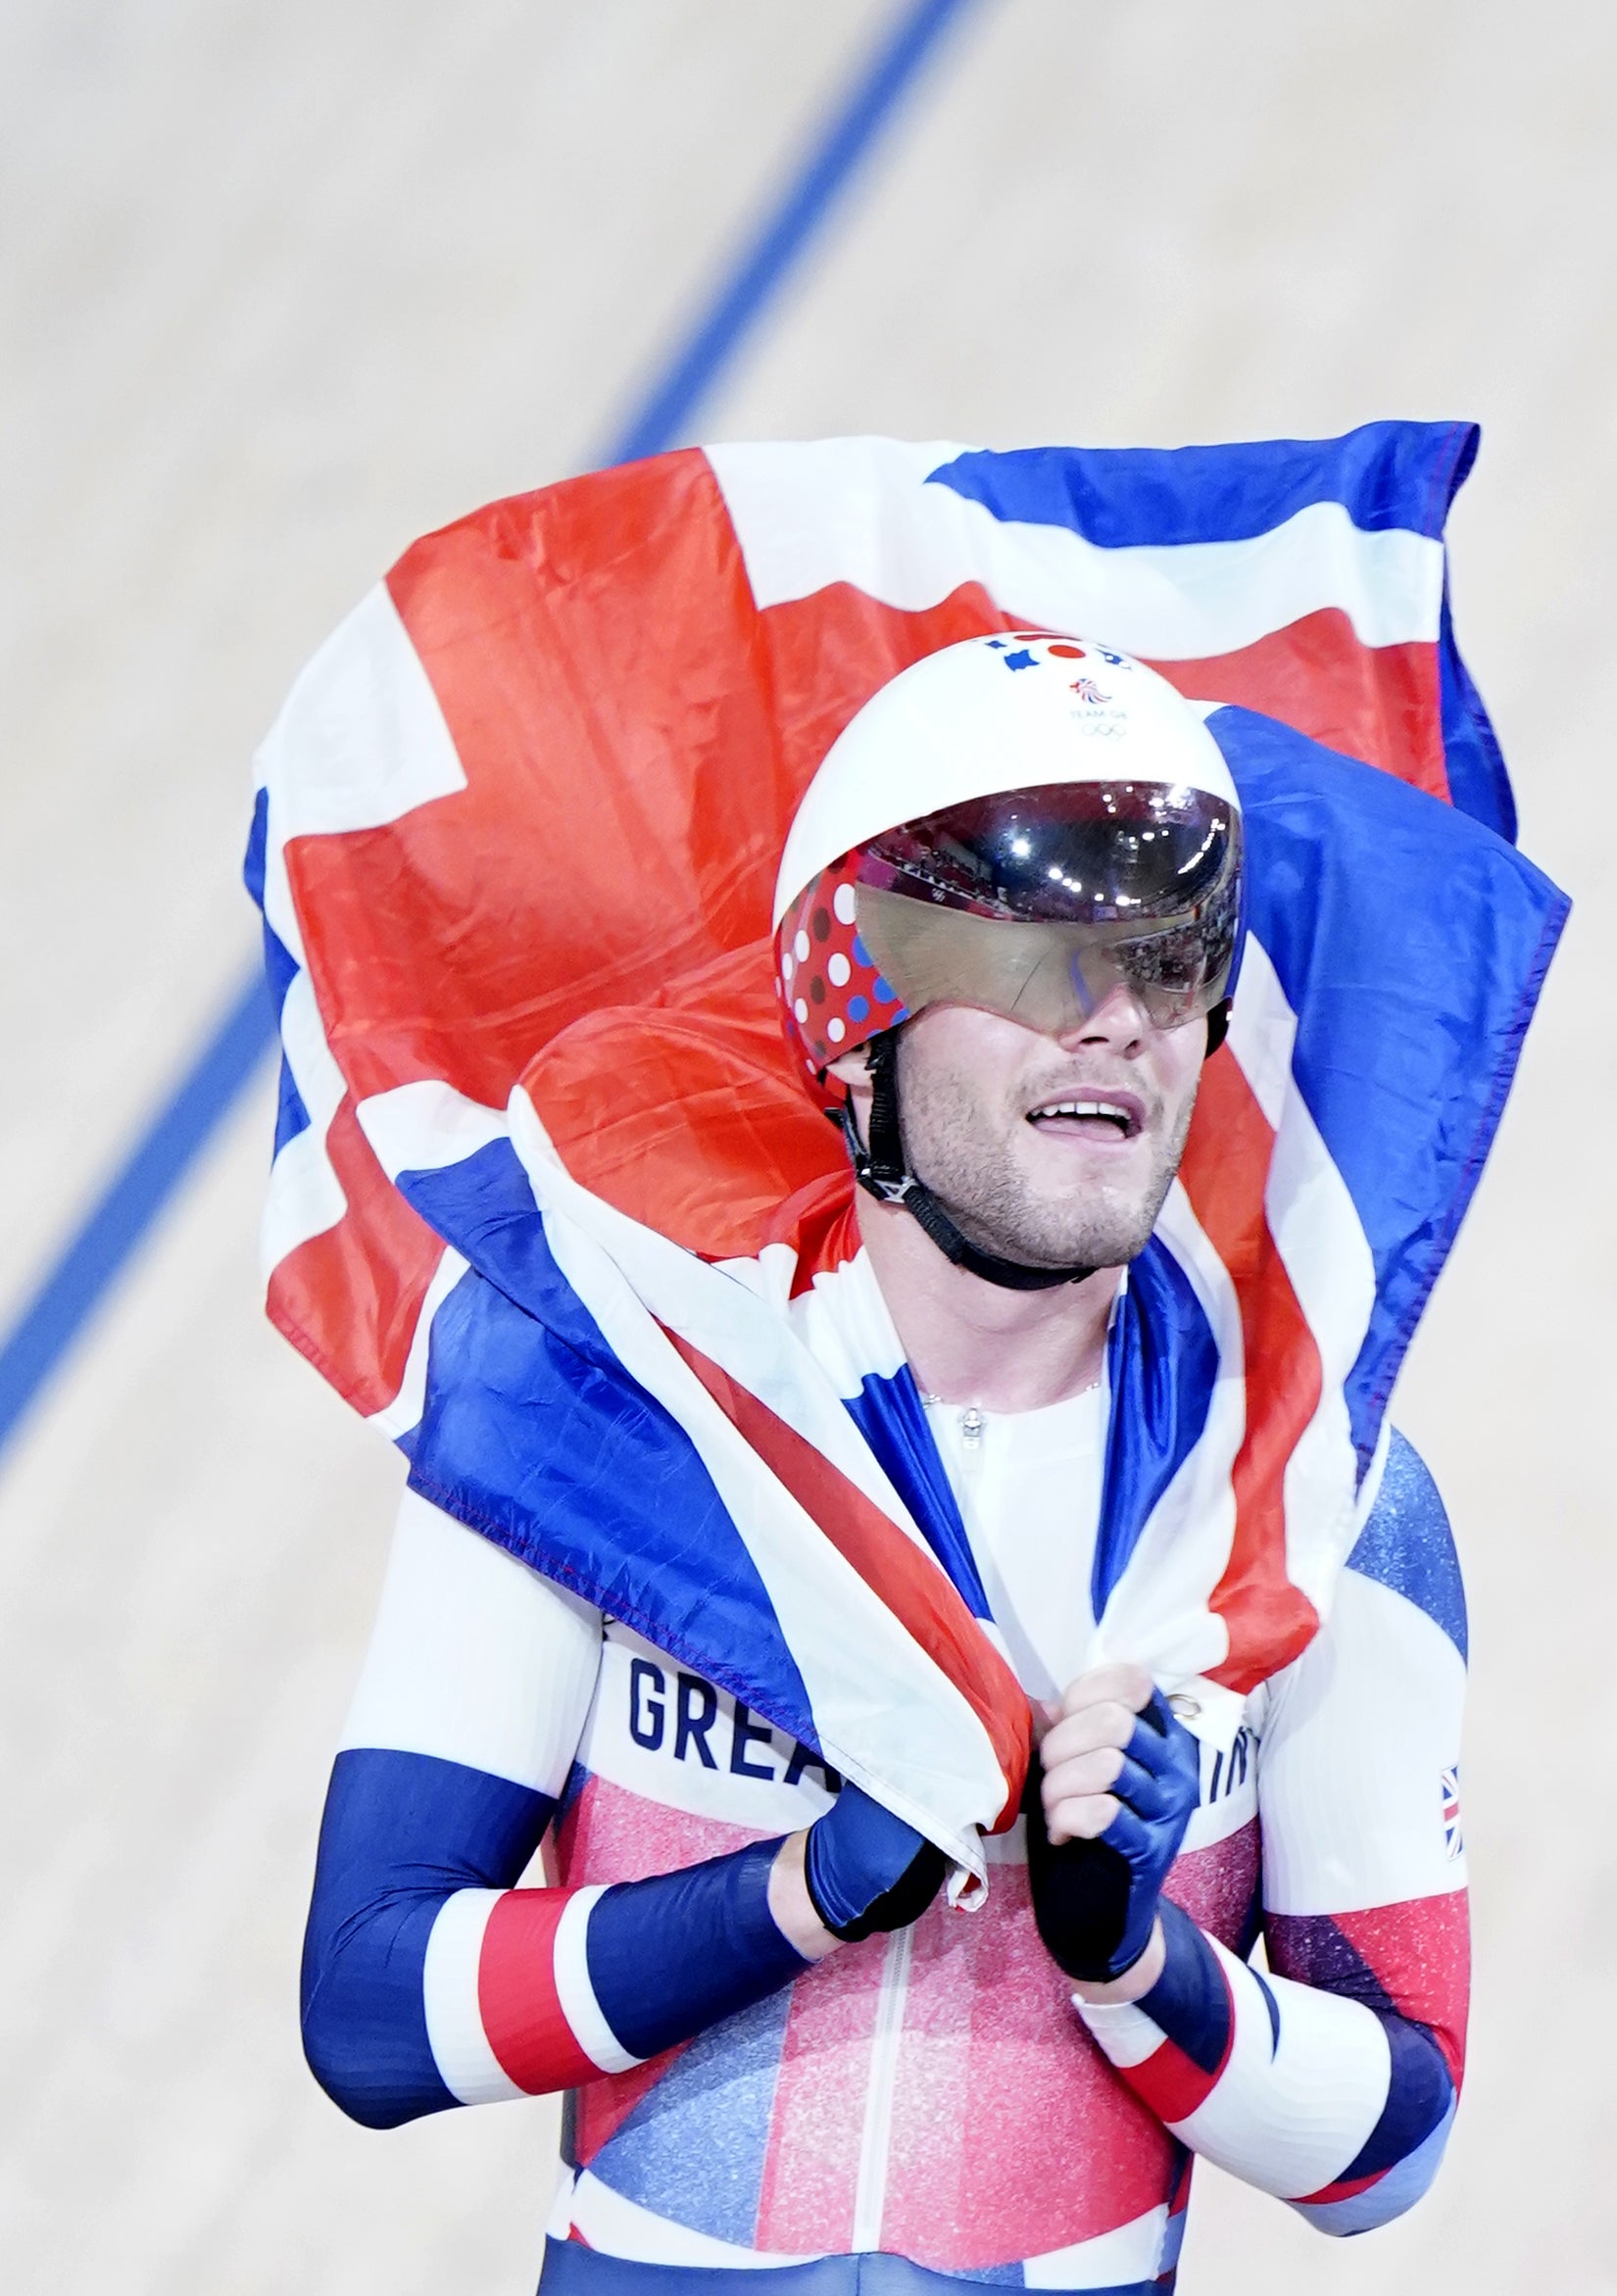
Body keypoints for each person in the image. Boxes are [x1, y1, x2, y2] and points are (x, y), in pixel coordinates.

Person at [301, 636, 1469, 2291]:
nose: (1121, 1018)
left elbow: (1394, 2147)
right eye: (1043, 959)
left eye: (1167, 957)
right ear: (850, 1004)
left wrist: (1137, 1961)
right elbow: (365, 2004)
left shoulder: (1318, 1495)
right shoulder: (606, 1406)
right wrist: (790, 1898)